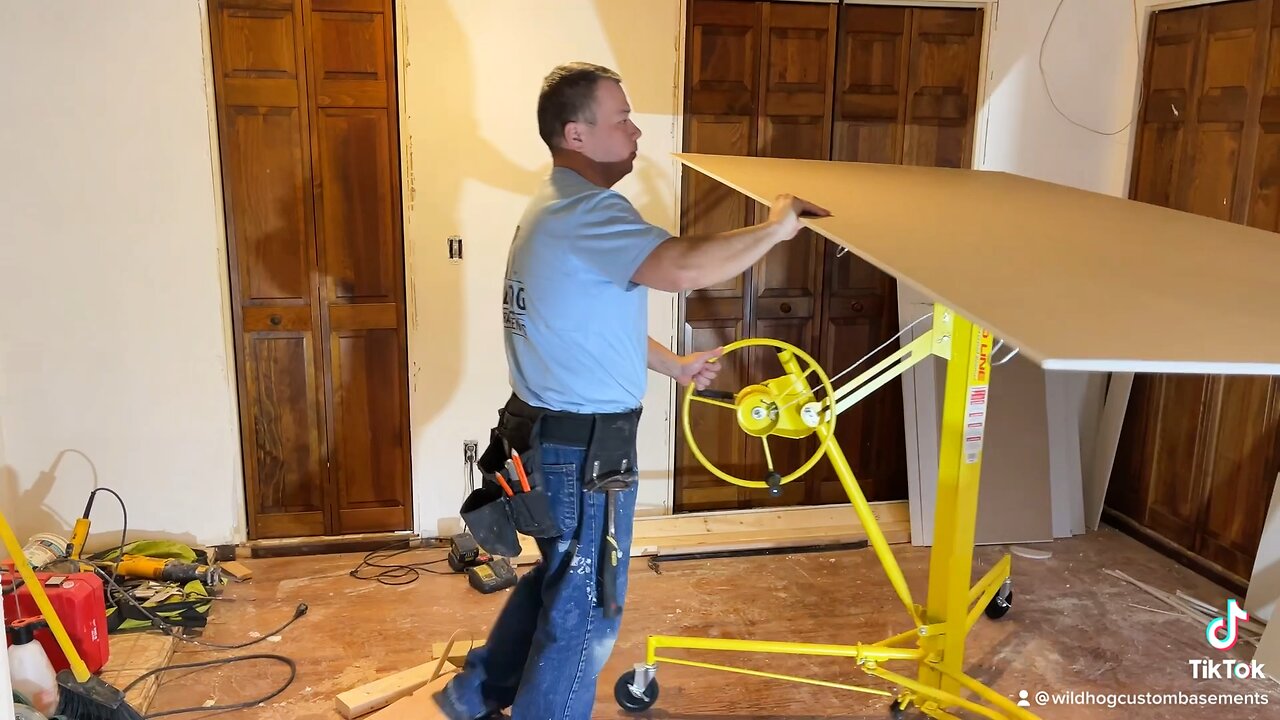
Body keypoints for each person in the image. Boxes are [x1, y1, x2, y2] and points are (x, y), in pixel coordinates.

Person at [431, 61, 830, 720]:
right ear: (576, 134)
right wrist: (777, 228)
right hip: (585, 455)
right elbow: (684, 267)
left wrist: (672, 365)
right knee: (589, 607)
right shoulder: (589, 212)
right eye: (621, 119)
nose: (637, 131)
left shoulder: (551, 207)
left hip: (548, 437)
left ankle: (475, 694)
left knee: (560, 581)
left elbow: (582, 324)